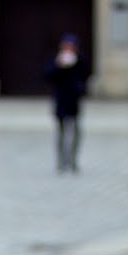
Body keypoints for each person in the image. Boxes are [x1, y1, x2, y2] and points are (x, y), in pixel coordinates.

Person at [43, 34, 90, 173]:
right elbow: (48, 75)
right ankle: (61, 161)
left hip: (74, 99)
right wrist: (60, 66)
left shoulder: (80, 60)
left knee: (75, 131)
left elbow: (85, 75)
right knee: (61, 132)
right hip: (61, 99)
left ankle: (73, 160)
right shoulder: (56, 59)